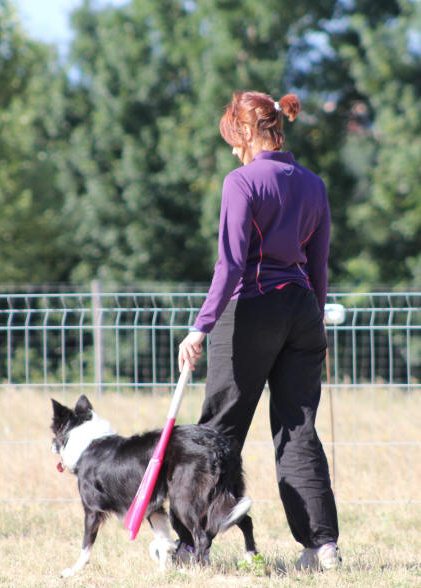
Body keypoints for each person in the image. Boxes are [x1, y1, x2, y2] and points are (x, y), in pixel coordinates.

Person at [177, 91, 341, 571]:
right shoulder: (314, 185)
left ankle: (190, 548)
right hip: (303, 310)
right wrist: (316, 320)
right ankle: (322, 547)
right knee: (298, 431)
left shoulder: (242, 182)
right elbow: (319, 265)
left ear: (249, 132)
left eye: (234, 138)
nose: (232, 150)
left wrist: (199, 327)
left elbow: (229, 266)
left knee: (215, 434)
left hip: (250, 309)